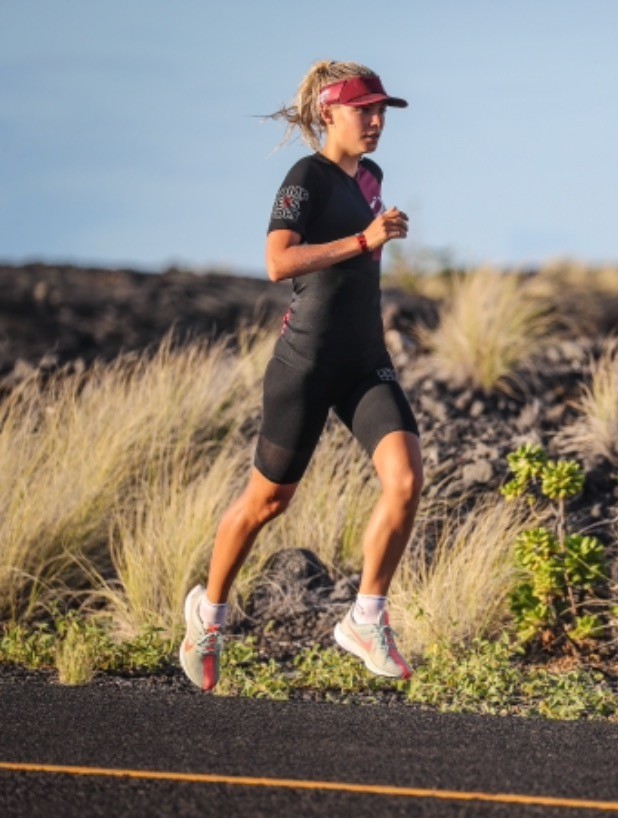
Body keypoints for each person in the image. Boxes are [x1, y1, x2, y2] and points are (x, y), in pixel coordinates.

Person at [180, 60, 423, 691]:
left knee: (405, 480)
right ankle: (208, 617)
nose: (376, 121)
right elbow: (276, 262)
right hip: (305, 365)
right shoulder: (305, 178)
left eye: (382, 111)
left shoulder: (370, 178)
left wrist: (373, 237)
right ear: (328, 113)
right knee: (268, 503)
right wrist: (364, 242)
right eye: (364, 109)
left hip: (365, 361)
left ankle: (365, 618)